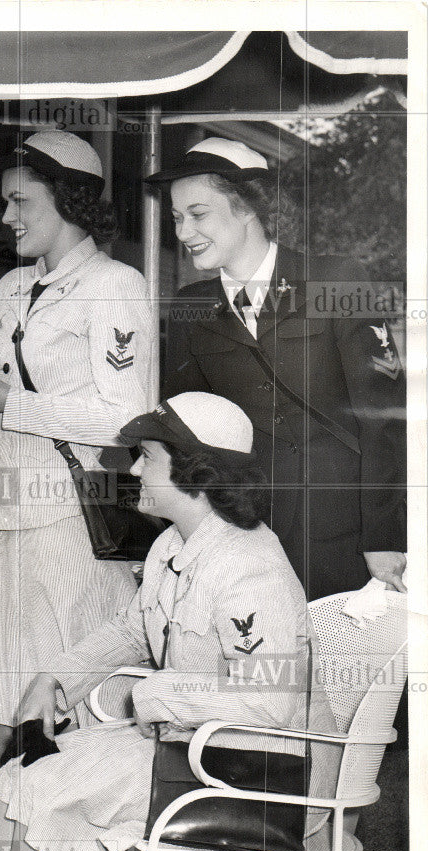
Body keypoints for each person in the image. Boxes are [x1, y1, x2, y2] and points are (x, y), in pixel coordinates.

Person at [0, 392, 337, 851]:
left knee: (60, 780)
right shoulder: (176, 544)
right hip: (201, 744)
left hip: (266, 765)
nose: (133, 469)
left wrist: (153, 694)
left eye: (146, 456)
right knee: (31, 770)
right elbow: (131, 629)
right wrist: (55, 677)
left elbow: (270, 701)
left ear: (196, 472)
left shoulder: (250, 569)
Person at [0, 129, 155, 851]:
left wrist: (5, 402)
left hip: (66, 522)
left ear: (70, 199)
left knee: (56, 703)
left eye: (20, 200)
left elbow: (125, 418)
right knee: (1, 704)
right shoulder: (12, 287)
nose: (6, 216)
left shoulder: (117, 286)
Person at [147, 137, 406, 602]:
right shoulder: (190, 307)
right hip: (243, 533)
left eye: (198, 214)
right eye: (176, 218)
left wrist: (385, 537)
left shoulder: (335, 280)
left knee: (340, 668)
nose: (184, 232)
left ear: (247, 207)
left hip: (339, 532)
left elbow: (384, 419)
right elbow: (187, 434)